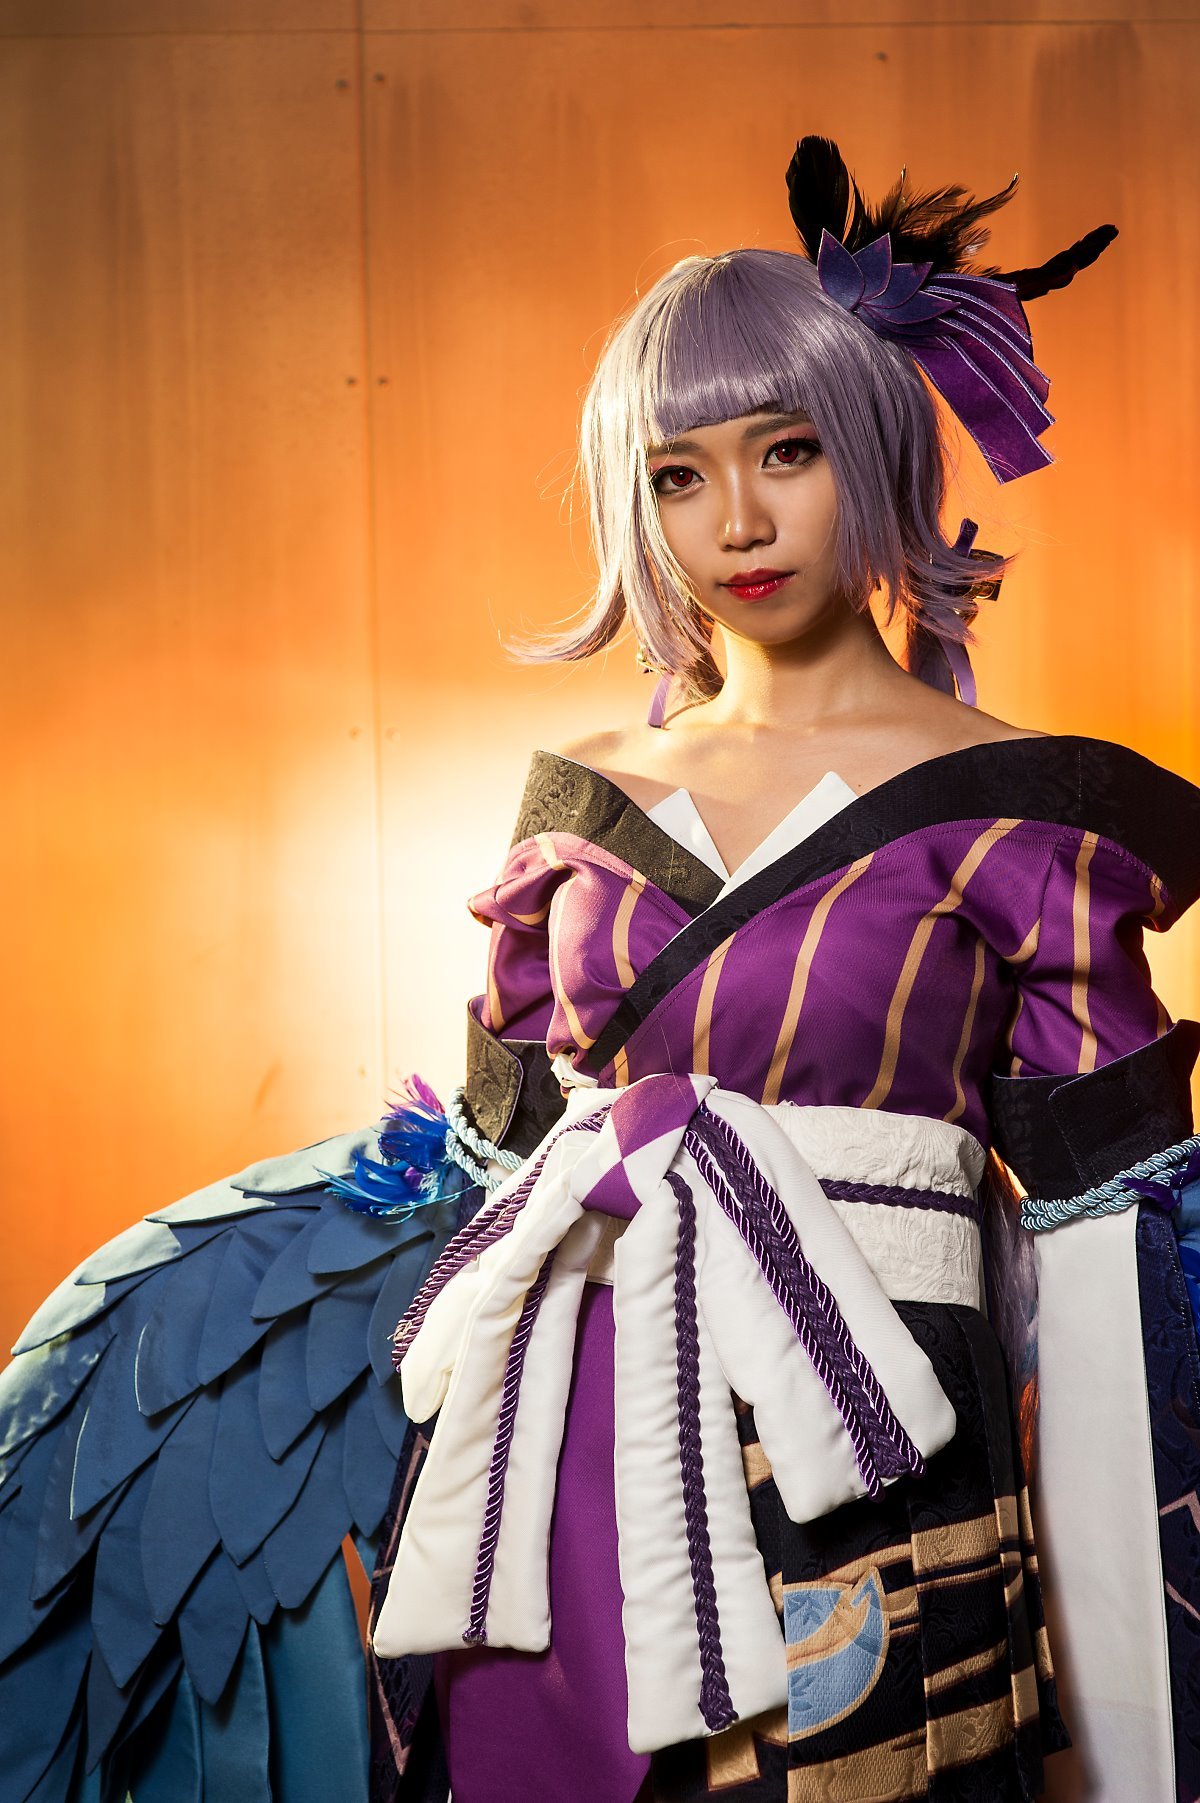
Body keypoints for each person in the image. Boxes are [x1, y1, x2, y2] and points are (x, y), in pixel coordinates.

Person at [2, 136, 1199, 1803]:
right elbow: (484, 1168)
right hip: (567, 1421)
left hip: (877, 1438)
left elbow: (1111, 1250)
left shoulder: (1027, 810)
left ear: (874, 445)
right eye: (677, 476)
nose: (737, 522)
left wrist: (1141, 1710)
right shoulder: (585, 797)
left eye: (786, 451)